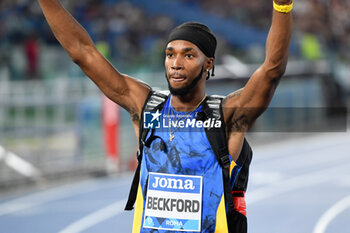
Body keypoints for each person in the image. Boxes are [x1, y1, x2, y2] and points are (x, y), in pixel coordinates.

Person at [38, 0, 292, 232]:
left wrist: (282, 7)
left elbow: (271, 70)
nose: (175, 63)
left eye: (188, 55)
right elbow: (83, 52)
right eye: (170, 54)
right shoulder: (145, 107)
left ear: (208, 64)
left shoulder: (226, 117)